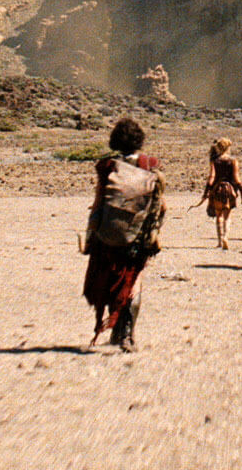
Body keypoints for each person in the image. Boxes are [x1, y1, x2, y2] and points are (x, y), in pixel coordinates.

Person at [82, 117, 166, 351]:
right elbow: (162, 205)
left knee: (112, 280)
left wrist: (90, 236)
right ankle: (127, 334)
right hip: (138, 236)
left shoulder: (107, 166)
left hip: (108, 234)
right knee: (133, 281)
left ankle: (117, 331)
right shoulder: (149, 164)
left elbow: (98, 203)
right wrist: (154, 231)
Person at [201, 137, 242, 249]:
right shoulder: (233, 161)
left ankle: (220, 241)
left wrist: (206, 192)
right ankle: (226, 236)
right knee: (227, 216)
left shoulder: (215, 161)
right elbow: (237, 178)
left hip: (218, 190)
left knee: (218, 215)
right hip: (230, 191)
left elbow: (211, 177)